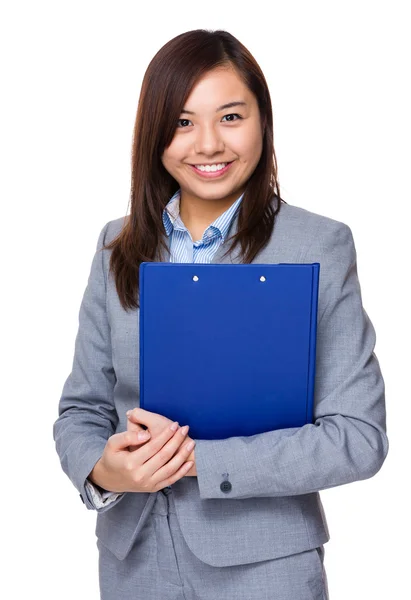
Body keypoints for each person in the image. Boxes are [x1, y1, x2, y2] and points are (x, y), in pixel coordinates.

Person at [52, 28, 389, 600]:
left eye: (231, 117)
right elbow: (81, 410)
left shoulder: (318, 245)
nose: (207, 144)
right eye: (183, 122)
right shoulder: (118, 245)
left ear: (263, 121)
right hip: (133, 561)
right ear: (154, 132)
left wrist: (196, 461)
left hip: (265, 567)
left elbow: (356, 437)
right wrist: (104, 471)